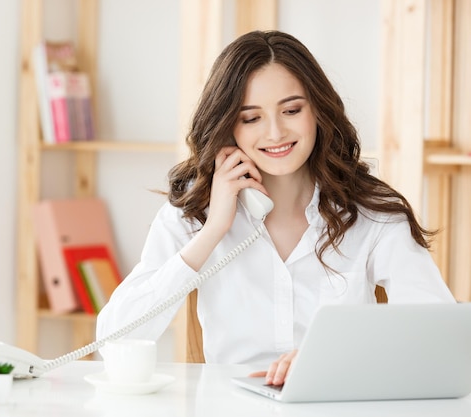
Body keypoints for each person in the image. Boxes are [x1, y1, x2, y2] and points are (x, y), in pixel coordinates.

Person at [95, 30, 455, 386]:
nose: (275, 133)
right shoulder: (195, 215)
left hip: (335, 404)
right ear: (228, 127)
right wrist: (213, 231)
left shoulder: (372, 214)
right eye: (251, 118)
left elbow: (442, 339)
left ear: (318, 111)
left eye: (292, 110)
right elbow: (113, 340)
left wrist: (333, 360)